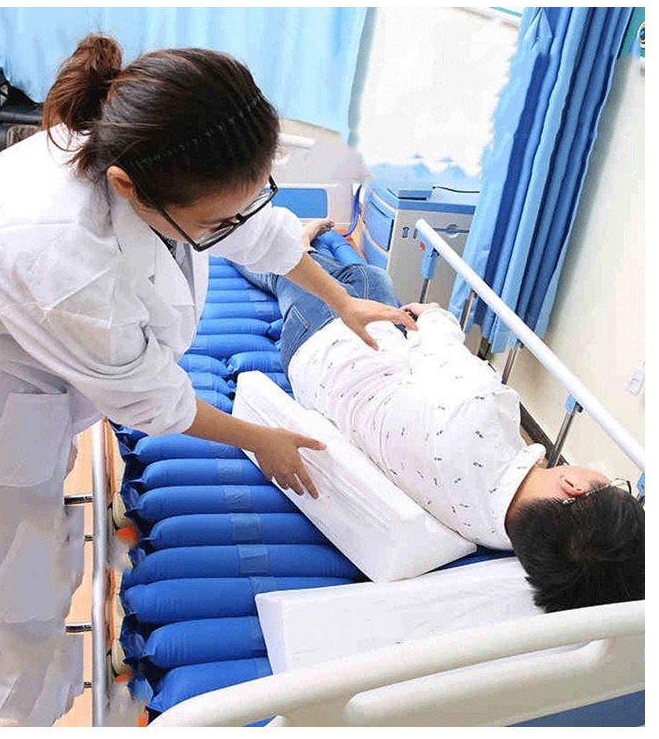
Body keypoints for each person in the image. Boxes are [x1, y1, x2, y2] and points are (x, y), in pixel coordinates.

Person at [0, 35, 417, 724]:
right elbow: (149, 397)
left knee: (37, 553)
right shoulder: (61, 254)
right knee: (10, 589)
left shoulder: (158, 153)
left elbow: (255, 232)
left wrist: (343, 300)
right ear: (129, 187)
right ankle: (17, 714)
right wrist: (261, 440)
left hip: (43, 383)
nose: (231, 224)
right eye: (214, 220)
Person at [232, 238, 645, 614]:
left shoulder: (481, 413)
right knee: (366, 285)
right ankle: (300, 246)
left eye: (611, 484)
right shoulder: (493, 535)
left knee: (356, 277)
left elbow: (441, 350)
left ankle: (251, 240)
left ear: (573, 486)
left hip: (330, 340)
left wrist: (434, 316)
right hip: (313, 380)